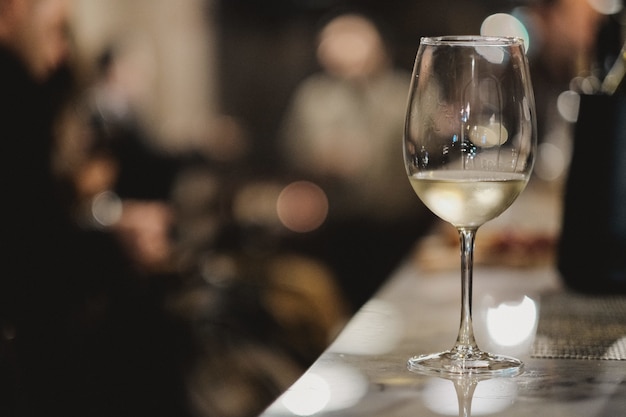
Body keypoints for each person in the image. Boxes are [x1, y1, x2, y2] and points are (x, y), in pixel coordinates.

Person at [0, 1, 194, 415]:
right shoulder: (15, 91)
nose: (62, 52)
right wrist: (115, 241)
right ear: (14, 10)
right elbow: (29, 252)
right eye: (55, 30)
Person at [279, 12, 433, 310]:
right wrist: (322, 160)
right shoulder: (314, 96)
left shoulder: (405, 93)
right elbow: (293, 150)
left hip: (398, 225)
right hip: (337, 225)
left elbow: (428, 151)